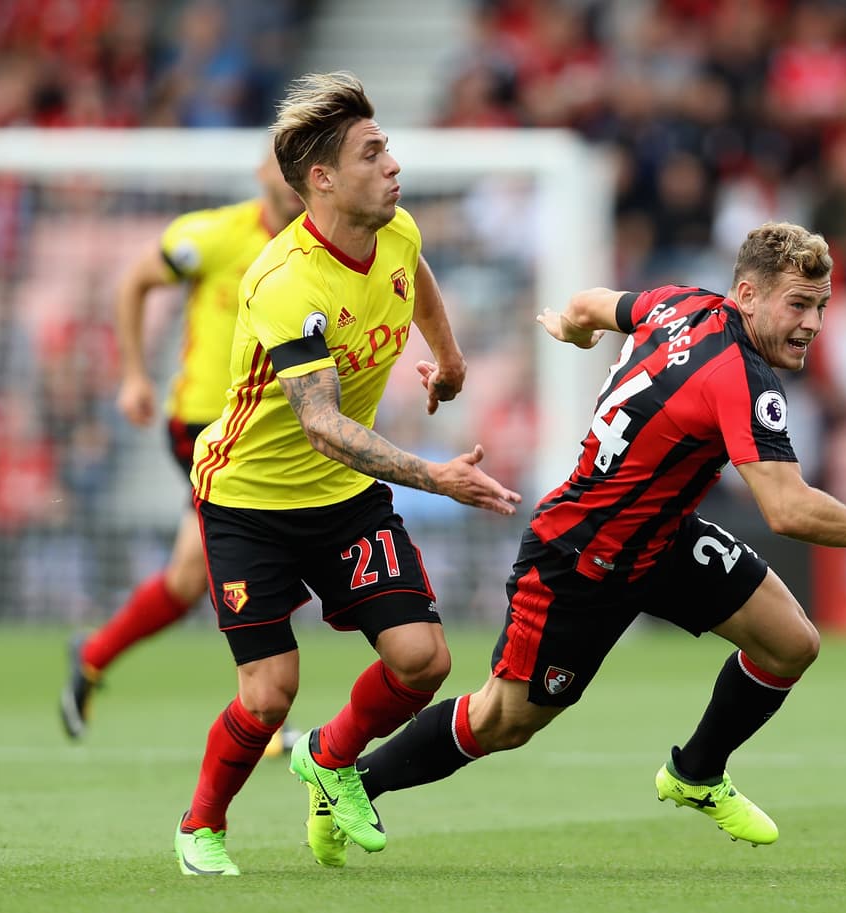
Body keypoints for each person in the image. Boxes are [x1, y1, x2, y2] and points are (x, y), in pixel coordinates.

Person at [303, 221, 846, 867]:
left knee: (791, 641)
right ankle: (354, 778)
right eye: (799, 304)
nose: (812, 324)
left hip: (660, 537)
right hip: (580, 555)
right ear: (746, 295)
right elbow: (788, 508)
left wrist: (571, 324)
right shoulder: (741, 376)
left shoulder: (679, 301)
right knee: (504, 720)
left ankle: (697, 771)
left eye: (822, 307)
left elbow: (597, 303)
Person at [172, 71, 522, 877]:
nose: (392, 163)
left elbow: (416, 274)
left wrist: (450, 356)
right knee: (268, 696)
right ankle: (201, 826)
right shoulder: (283, 280)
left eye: (388, 146)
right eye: (373, 152)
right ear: (322, 179)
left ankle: (328, 760)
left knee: (424, 661)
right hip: (249, 499)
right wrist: (436, 477)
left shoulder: (393, 228)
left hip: (340, 499)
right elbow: (323, 425)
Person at [60, 149, 305, 759]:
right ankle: (266, 720)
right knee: (256, 546)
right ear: (261, 174)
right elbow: (135, 281)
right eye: (282, 164)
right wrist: (135, 376)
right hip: (203, 423)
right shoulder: (213, 235)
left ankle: (92, 655)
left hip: (267, 425)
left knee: (191, 575)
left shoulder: (313, 247)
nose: (291, 176)